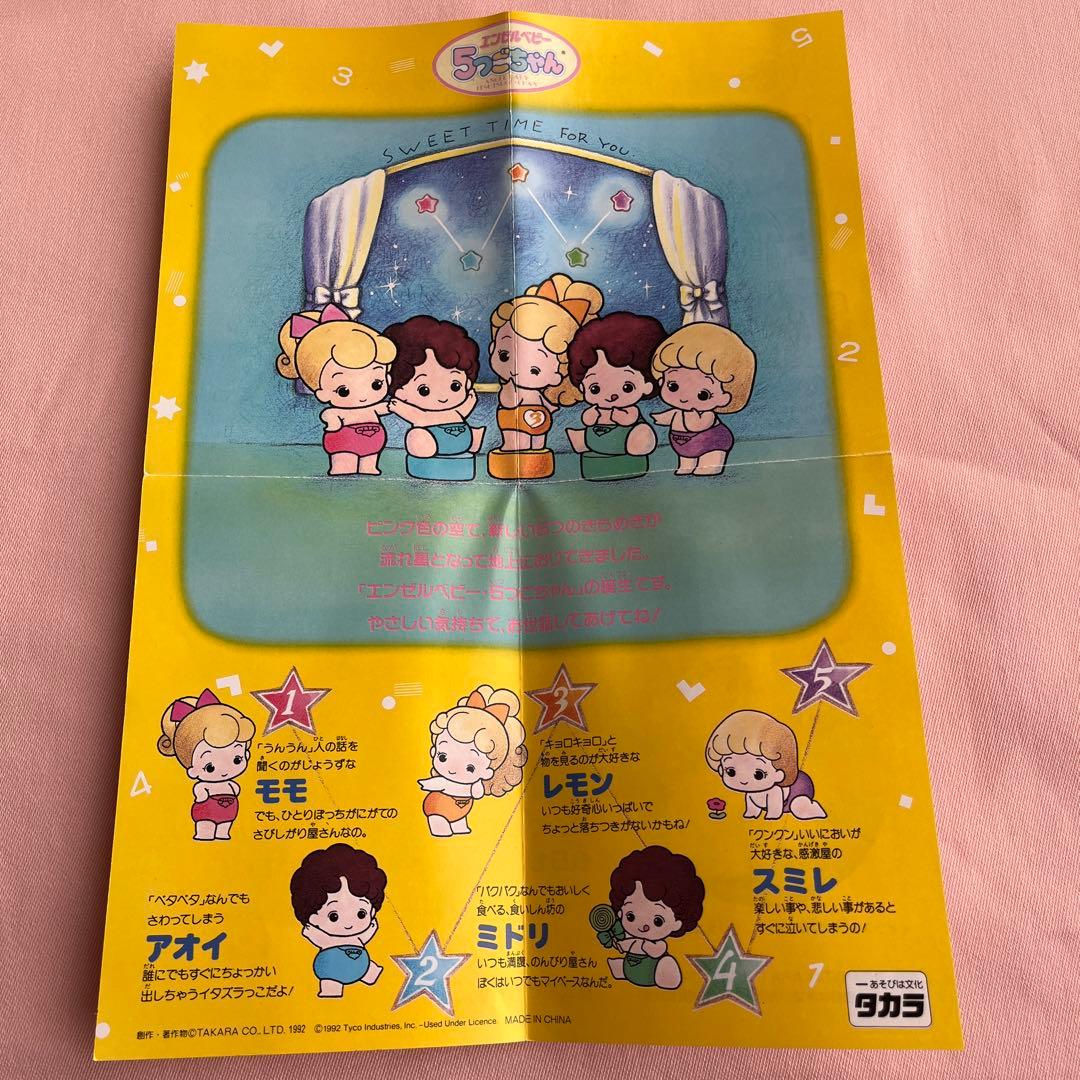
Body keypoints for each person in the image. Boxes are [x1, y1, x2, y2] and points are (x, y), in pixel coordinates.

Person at [275, 304, 396, 476]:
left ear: (387, 379)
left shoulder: (373, 407)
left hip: (373, 445)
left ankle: (369, 467)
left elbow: (386, 407)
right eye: (343, 390)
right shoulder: (339, 411)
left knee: (369, 471)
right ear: (322, 393)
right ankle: (342, 469)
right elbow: (328, 415)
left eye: (376, 384)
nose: (363, 396)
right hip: (343, 443)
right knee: (343, 472)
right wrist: (333, 422)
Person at [566, 312, 667, 481]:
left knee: (639, 434)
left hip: (625, 439)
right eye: (595, 388)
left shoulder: (629, 412)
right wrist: (592, 415)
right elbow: (588, 419)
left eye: (627, 387)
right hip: (599, 440)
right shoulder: (597, 409)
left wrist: (616, 415)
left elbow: (628, 419)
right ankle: (581, 440)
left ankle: (638, 443)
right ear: (583, 387)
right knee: (589, 437)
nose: (611, 396)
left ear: (648, 384)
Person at [385, 315, 484, 481]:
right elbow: (417, 417)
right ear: (400, 390)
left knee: (469, 437)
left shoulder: (454, 410)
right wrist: (400, 407)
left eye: (455, 386)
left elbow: (463, 410)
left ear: (467, 382)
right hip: (431, 438)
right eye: (424, 390)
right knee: (418, 436)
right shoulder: (421, 416)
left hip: (462, 437)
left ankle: (472, 441)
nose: (443, 397)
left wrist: (469, 401)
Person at [418, 685, 527, 836]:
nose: (452, 769)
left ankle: (459, 825)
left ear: (487, 771)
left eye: (470, 768)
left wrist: (476, 787)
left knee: (459, 821)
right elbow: (438, 783)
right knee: (439, 821)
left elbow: (477, 792)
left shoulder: (476, 782)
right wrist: (427, 784)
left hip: (462, 809)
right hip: (437, 808)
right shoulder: (445, 782)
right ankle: (440, 827)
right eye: (442, 757)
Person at [650, 322, 756, 476]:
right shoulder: (680, 412)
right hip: (682, 443)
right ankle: (686, 464)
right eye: (673, 386)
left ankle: (711, 466)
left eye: (703, 394)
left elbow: (699, 424)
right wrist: (661, 417)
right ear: (662, 381)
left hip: (710, 442)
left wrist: (686, 418)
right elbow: (672, 416)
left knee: (708, 465)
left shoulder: (706, 415)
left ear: (724, 398)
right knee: (686, 462)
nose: (684, 397)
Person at [157, 689, 256, 841]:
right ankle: (204, 834)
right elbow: (200, 793)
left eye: (237, 759)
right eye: (210, 767)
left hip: (228, 813)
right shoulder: (203, 785)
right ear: (193, 771)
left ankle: (223, 833)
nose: (224, 769)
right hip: (206, 811)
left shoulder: (230, 784)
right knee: (205, 827)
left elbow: (235, 789)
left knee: (224, 828)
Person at [290, 844, 387, 997]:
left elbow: (363, 937)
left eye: (361, 914)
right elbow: (321, 939)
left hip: (361, 965)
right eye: (333, 916)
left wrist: (371, 929)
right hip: (332, 970)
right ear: (312, 917)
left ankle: (371, 974)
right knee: (331, 986)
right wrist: (311, 933)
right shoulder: (327, 939)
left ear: (372, 911)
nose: (349, 924)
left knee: (369, 971)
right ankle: (331, 991)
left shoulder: (358, 935)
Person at [705, 709, 827, 819]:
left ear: (779, 774)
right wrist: (751, 813)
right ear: (721, 769)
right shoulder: (752, 790)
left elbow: (775, 807)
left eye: (758, 774)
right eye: (731, 772)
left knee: (798, 807)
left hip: (794, 795)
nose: (743, 780)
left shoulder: (774, 791)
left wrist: (772, 815)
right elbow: (751, 800)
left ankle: (812, 808)